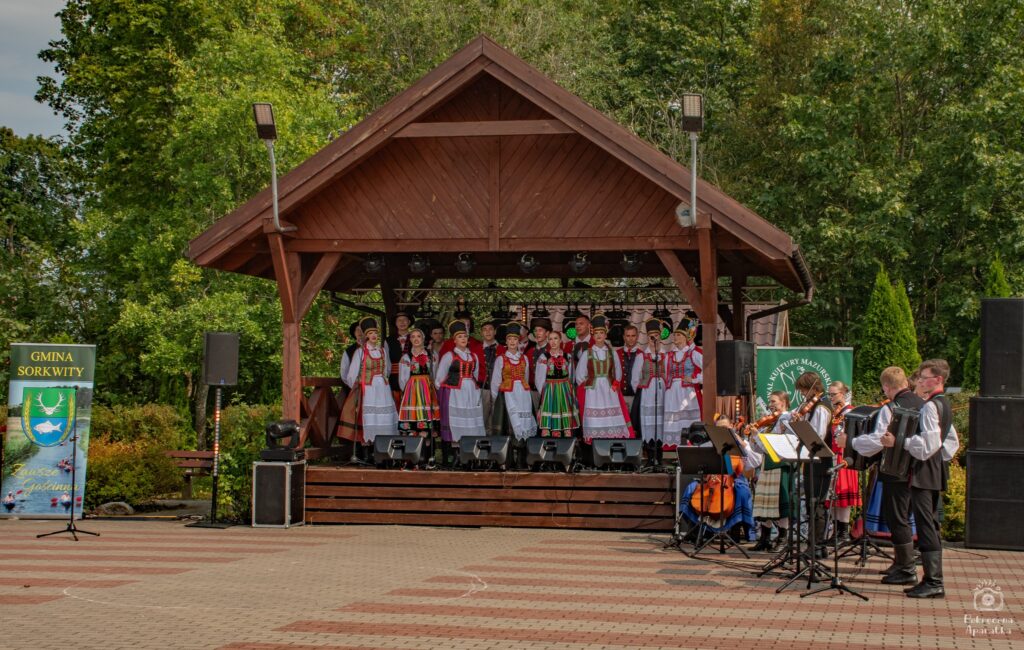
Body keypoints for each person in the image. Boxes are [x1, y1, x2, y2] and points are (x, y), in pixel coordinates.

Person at [884, 359, 959, 599]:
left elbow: (928, 445)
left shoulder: (930, 407)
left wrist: (899, 442)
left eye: (925, 377)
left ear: (938, 379)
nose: (920, 381)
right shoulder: (943, 404)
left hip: (924, 472)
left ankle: (934, 581)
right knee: (929, 524)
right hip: (933, 470)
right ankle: (930, 579)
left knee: (926, 525)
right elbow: (948, 445)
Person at [850, 366, 922, 583]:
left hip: (895, 469)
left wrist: (852, 442)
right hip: (919, 469)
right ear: (906, 383)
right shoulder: (924, 404)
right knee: (904, 517)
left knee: (897, 518)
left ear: (886, 387)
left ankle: (907, 569)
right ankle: (900, 562)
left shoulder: (890, 408)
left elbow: (878, 440)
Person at [679, 415, 758, 542]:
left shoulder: (742, 443)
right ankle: (695, 529)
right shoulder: (710, 443)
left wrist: (741, 444)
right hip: (712, 478)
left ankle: (738, 530)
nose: (722, 431)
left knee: (742, 492)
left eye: (725, 428)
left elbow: (754, 462)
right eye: (719, 428)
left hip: (734, 478)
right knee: (691, 488)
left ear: (731, 426)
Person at [790, 371, 833, 557]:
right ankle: (816, 546)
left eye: (803, 390)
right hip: (812, 460)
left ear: (812, 388)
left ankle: (816, 546)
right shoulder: (814, 406)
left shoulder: (822, 407)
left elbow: (817, 436)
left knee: (817, 504)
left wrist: (801, 425)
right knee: (811, 503)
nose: (802, 394)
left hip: (821, 461)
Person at [343, 316, 399, 455]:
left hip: (383, 389)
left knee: (384, 417)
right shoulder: (360, 352)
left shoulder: (382, 351)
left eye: (375, 333)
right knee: (369, 418)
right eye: (370, 333)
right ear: (366, 336)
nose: (374, 335)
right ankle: (368, 451)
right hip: (368, 389)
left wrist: (382, 381)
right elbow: (351, 374)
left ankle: (383, 450)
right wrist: (357, 389)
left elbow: (387, 369)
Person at [575, 314, 633, 444]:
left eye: (601, 333)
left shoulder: (612, 353)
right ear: (593, 335)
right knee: (595, 420)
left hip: (609, 390)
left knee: (610, 418)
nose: (599, 335)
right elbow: (579, 375)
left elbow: (618, 372)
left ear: (606, 334)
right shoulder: (587, 353)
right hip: (593, 392)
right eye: (596, 333)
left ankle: (611, 443)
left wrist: (613, 384)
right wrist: (588, 386)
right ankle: (596, 445)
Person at [435, 320, 485, 466]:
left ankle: (469, 454)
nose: (463, 339)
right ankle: (456, 454)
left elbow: (475, 374)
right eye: (460, 337)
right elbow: (439, 378)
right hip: (455, 393)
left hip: (471, 392)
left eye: (465, 336)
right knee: (456, 422)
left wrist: (472, 388)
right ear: (454, 340)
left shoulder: (473, 356)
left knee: (471, 421)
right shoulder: (449, 355)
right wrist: (445, 394)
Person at [749, 390, 793, 551]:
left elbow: (774, 446)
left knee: (781, 503)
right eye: (770, 401)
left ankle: (782, 538)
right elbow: (760, 449)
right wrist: (754, 438)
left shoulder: (786, 419)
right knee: (765, 502)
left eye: (774, 401)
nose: (770, 405)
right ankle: (765, 538)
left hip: (780, 464)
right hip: (767, 464)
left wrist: (758, 436)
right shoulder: (771, 422)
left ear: (784, 402)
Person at [490, 322, 537, 466]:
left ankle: (522, 459)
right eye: (509, 339)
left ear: (518, 341)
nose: (512, 342)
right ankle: (508, 459)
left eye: (515, 339)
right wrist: (497, 400)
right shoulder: (501, 359)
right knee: (508, 426)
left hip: (523, 395)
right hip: (507, 396)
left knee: (524, 423)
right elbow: (495, 381)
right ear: (506, 341)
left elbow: (525, 377)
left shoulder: (524, 358)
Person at [398, 325, 441, 467]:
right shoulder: (406, 357)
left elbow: (436, 374)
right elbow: (403, 378)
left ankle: (428, 457)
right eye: (413, 337)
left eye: (418, 336)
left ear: (423, 338)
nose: (416, 339)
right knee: (413, 424)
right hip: (412, 391)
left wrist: (431, 387)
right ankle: (413, 458)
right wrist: (408, 392)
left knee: (427, 424)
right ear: (410, 340)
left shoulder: (432, 355)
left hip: (428, 390)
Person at [826, 381, 861, 544]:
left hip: (844, 456)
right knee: (833, 495)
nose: (831, 397)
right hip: (833, 454)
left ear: (843, 394)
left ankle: (844, 532)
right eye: (830, 394)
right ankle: (835, 531)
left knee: (842, 494)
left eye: (834, 394)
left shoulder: (850, 411)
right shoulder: (835, 412)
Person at [662, 317, 703, 449]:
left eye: (679, 335)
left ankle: (690, 446)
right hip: (672, 393)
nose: (675, 337)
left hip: (687, 392)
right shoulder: (669, 355)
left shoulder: (694, 353)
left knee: (687, 420)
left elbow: (709, 371)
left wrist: (694, 379)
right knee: (673, 420)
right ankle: (674, 448)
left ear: (686, 337)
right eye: (675, 335)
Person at [630, 319, 666, 466]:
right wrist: (641, 392)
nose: (654, 339)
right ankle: (650, 456)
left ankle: (659, 456)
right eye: (651, 336)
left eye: (656, 335)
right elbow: (634, 378)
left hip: (662, 394)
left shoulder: (665, 355)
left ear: (660, 337)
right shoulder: (641, 356)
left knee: (661, 422)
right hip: (647, 394)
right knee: (648, 423)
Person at [535, 329, 579, 438]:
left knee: (565, 415)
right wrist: (544, 393)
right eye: (550, 339)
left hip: (565, 389)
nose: (553, 341)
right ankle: (549, 441)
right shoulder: (544, 357)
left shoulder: (568, 356)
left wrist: (569, 389)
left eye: (556, 338)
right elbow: (539, 378)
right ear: (548, 341)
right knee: (550, 413)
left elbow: (572, 376)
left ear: (560, 340)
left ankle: (567, 442)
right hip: (550, 390)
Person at [479, 320, 505, 435]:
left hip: (499, 390)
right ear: (481, 333)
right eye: (485, 330)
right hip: (483, 389)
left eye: (490, 329)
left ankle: (496, 443)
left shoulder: (504, 350)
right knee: (482, 418)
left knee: (497, 419)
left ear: (495, 332)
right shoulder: (475, 349)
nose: (488, 332)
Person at [385, 310, 415, 399]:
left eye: (404, 320)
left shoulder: (416, 338)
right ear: (395, 323)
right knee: (396, 401)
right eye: (399, 320)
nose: (402, 322)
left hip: (412, 375)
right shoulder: (388, 340)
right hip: (394, 376)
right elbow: (386, 360)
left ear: (409, 322)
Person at [617, 324, 642, 412]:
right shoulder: (616, 354)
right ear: (624, 337)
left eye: (633, 336)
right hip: (620, 396)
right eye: (628, 336)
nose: (630, 338)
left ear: (637, 337)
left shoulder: (642, 354)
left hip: (636, 396)